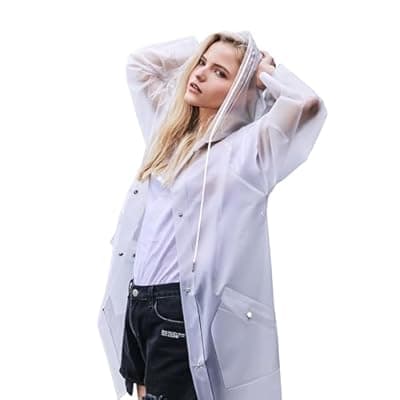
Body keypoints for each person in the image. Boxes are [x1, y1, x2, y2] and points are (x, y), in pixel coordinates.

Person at [98, 30, 327, 400]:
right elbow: (140, 65)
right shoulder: (168, 134)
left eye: (220, 73)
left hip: (176, 308)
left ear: (239, 91)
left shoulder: (244, 153)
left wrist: (263, 73)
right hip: (137, 299)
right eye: (201, 64)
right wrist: (204, 50)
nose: (201, 74)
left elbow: (307, 104)